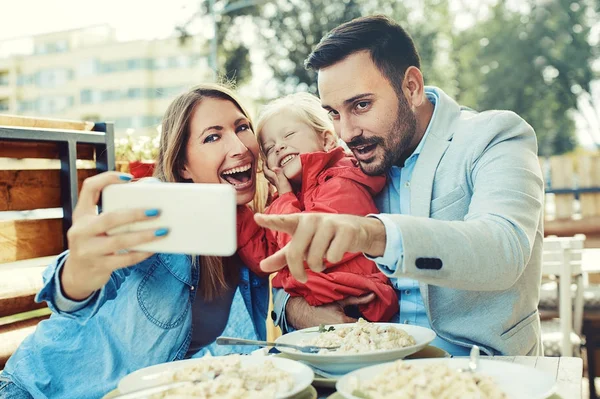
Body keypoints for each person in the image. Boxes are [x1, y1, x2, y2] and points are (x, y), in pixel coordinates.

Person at [260, 15, 544, 356]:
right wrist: (299, 310)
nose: (347, 133)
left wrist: (373, 234)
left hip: (479, 368)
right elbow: (287, 282)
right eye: (334, 114)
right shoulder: (343, 168)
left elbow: (504, 250)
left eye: (361, 105)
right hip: (367, 368)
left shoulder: (495, 136)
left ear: (411, 87)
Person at [0, 84, 270, 399]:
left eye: (242, 127)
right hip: (41, 391)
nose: (240, 146)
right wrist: (76, 273)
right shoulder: (154, 211)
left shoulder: (257, 230)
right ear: (183, 166)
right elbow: (75, 295)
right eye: (213, 136)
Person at [237, 92, 398, 322]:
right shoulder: (292, 200)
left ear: (327, 140)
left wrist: (284, 196)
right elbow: (264, 258)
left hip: (361, 308)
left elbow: (301, 249)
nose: (280, 147)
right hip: (321, 304)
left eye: (289, 135)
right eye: (270, 148)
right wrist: (234, 210)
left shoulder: (341, 183)